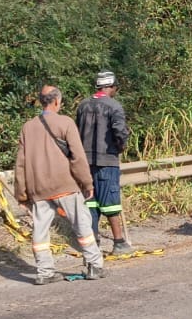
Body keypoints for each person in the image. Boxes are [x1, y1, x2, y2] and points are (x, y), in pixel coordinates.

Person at [14, 84, 106, 284]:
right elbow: (78, 157)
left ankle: (44, 272)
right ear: (57, 101)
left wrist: (21, 194)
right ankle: (94, 265)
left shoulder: (27, 127)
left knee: (40, 231)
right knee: (82, 225)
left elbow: (20, 163)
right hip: (65, 185)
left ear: (41, 101)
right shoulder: (65, 123)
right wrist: (86, 183)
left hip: (38, 189)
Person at [76, 69, 132, 255]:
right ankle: (119, 243)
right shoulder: (114, 106)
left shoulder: (83, 106)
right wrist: (122, 146)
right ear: (111, 86)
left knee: (90, 202)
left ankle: (93, 243)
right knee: (111, 202)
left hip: (85, 162)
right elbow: (120, 132)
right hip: (107, 160)